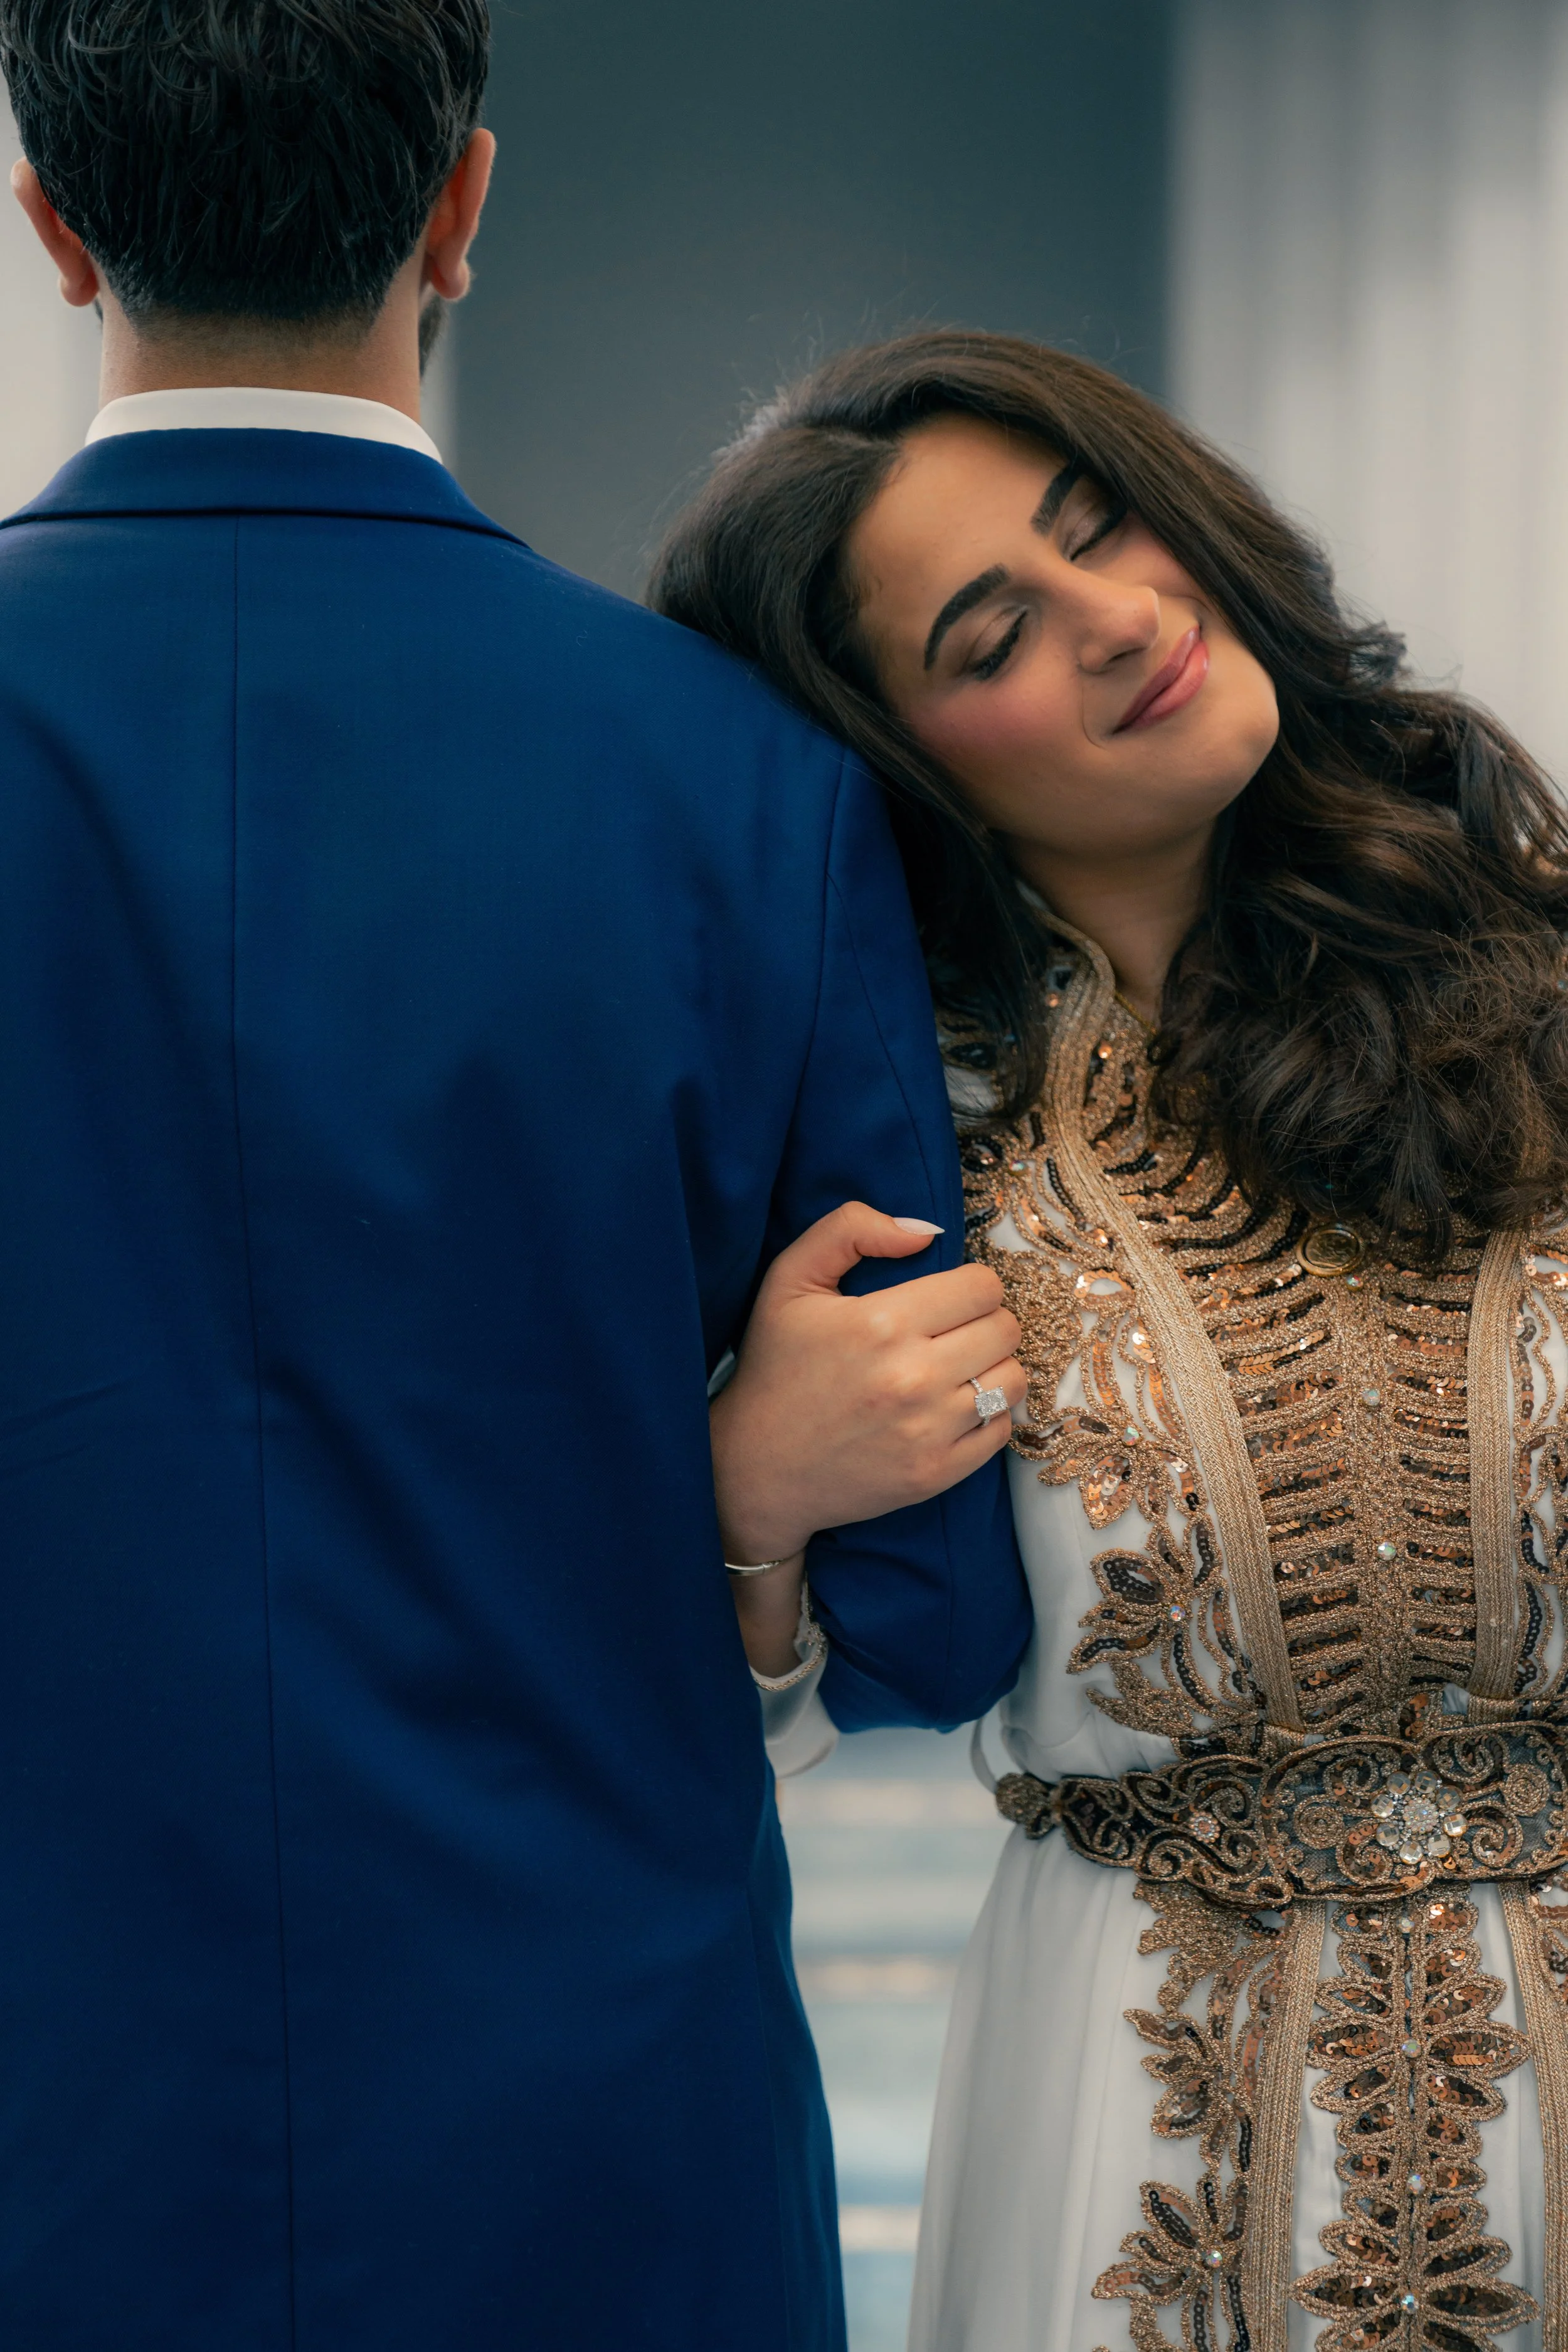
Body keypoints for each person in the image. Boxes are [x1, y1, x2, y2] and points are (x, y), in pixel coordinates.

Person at [0, 18, 1032, 2344]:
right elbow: (935, 1609)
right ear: (461, 208)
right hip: (599, 2135)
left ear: (53, 229)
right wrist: (722, 1498)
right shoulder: (746, 782)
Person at [654, 327, 1568, 2352]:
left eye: (1102, 524)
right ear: (894, 758)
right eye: (991, 635)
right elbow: (683, 1748)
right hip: (1142, 2127)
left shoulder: (1541, 960)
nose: (1122, 615)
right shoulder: (880, 1149)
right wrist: (745, 1498)